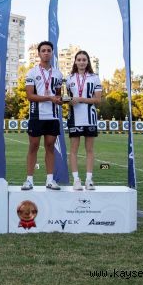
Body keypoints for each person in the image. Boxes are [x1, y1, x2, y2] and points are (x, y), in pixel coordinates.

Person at [22, 41, 63, 190]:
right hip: (36, 115)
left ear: (52, 53)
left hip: (52, 117)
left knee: (50, 147)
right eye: (43, 50)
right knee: (33, 147)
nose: (46, 53)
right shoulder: (32, 72)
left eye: (49, 50)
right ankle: (29, 180)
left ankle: (50, 180)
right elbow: (29, 96)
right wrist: (50, 98)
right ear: (39, 53)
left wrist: (61, 100)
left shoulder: (58, 74)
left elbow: (58, 96)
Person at [66, 50, 102, 190]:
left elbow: (98, 100)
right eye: (79, 59)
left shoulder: (94, 78)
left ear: (88, 62)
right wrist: (68, 101)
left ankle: (89, 180)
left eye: (84, 60)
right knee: (73, 150)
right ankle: (76, 180)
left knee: (89, 149)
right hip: (74, 117)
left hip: (90, 118)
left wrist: (80, 99)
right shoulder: (69, 78)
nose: (81, 62)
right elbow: (67, 99)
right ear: (75, 61)